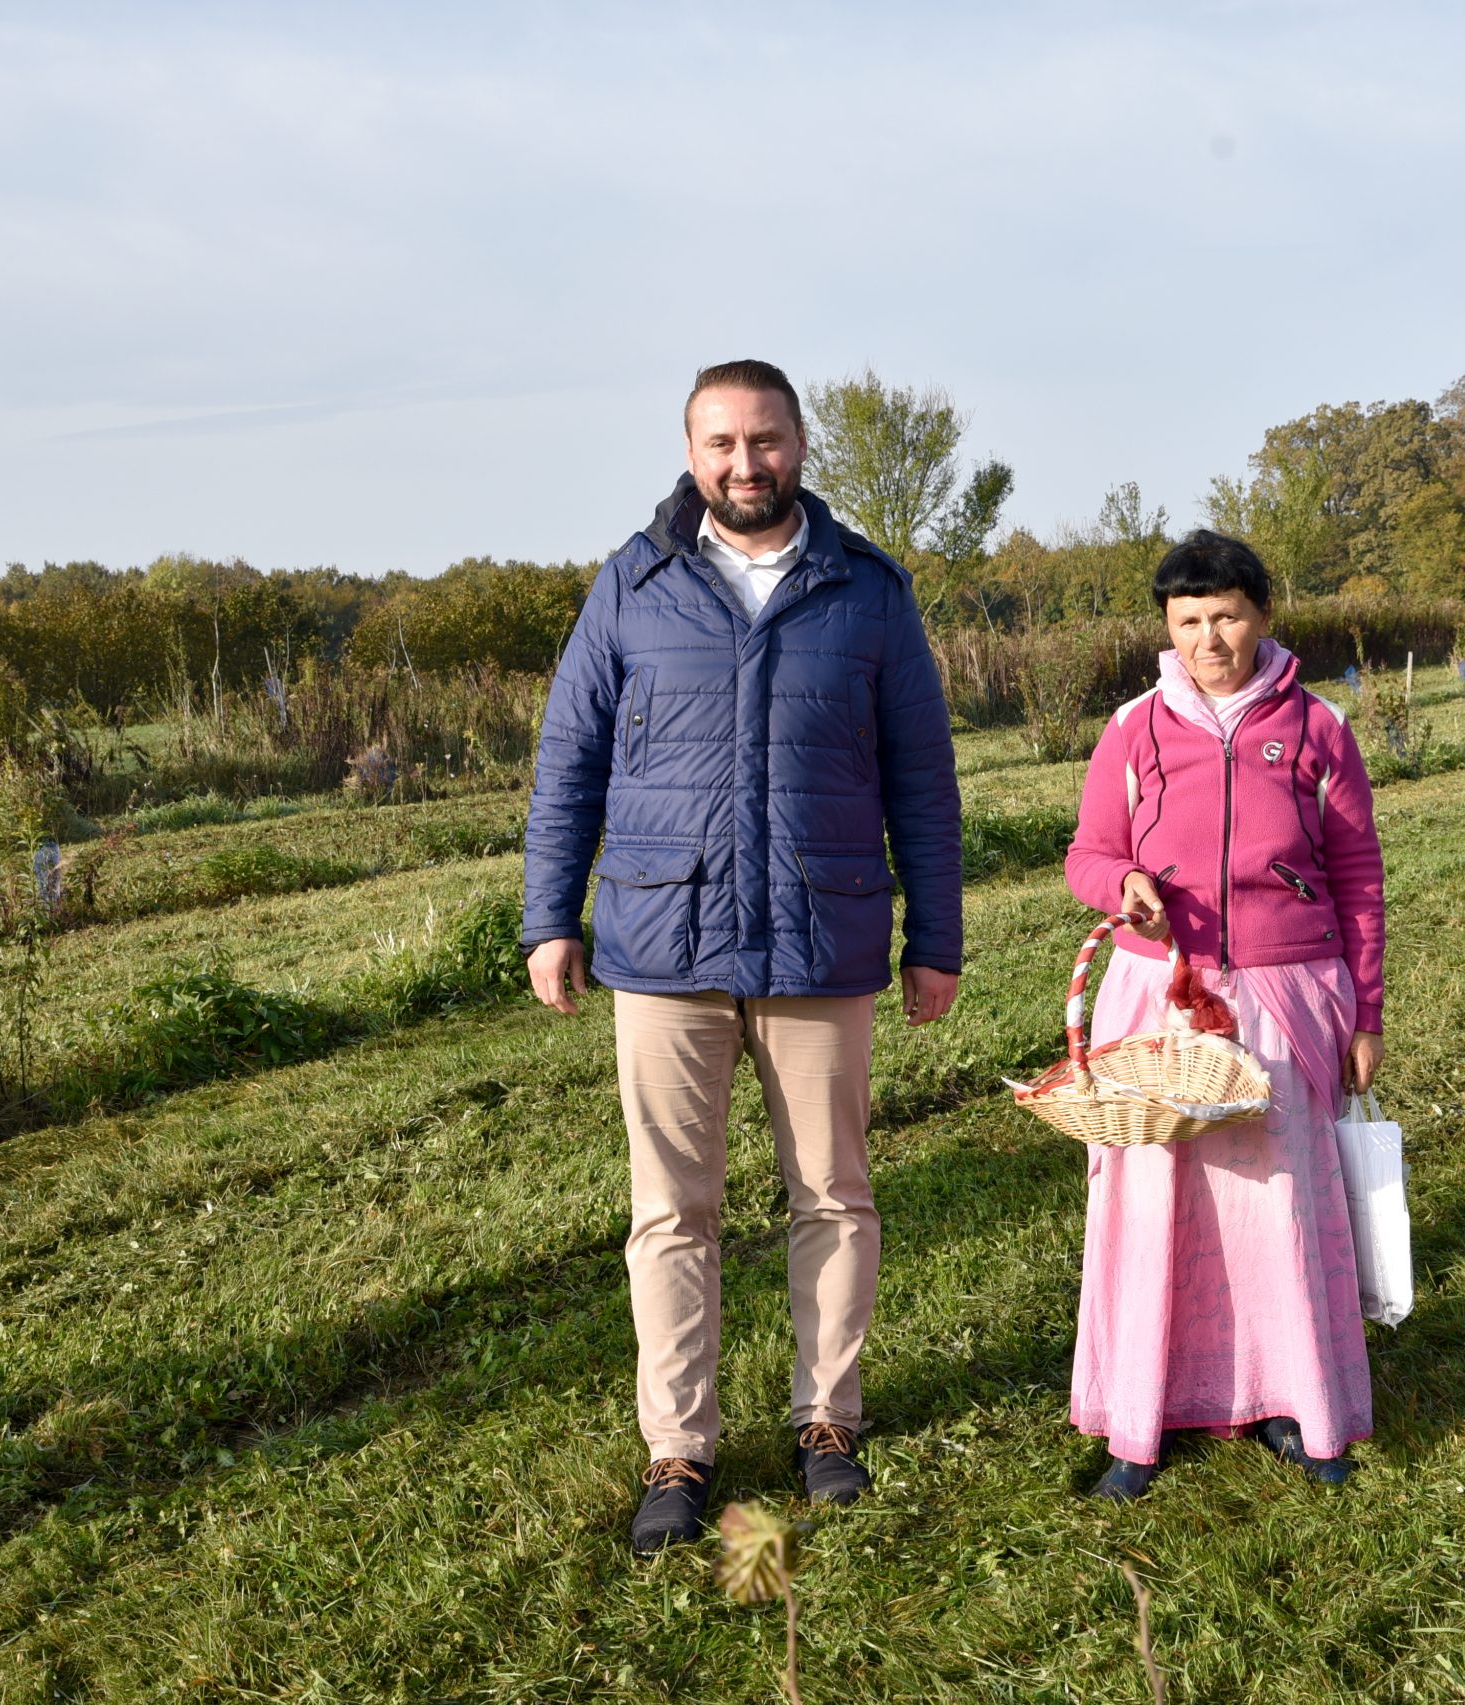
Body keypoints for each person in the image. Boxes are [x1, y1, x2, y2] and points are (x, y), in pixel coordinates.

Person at [522, 358, 964, 1555]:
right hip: (664, 941)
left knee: (833, 1193)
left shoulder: (869, 592)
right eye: (720, 444)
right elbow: (569, 760)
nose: (744, 464)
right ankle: (680, 1448)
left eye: (763, 440)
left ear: (800, 444)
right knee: (673, 1208)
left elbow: (922, 777)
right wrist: (548, 915)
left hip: (823, 935)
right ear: (690, 451)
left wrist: (938, 935)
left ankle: (829, 1422)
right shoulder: (633, 584)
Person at [1061, 528, 1386, 1499]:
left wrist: (1363, 1011)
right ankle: (1140, 1418)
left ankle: (1296, 1407)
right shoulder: (1134, 728)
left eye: (1227, 616)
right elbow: (1085, 854)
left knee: (1280, 1203)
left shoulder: (1318, 727)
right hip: (1160, 995)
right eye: (1189, 619)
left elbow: (1357, 873)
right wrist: (1119, 880)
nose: (1209, 637)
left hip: (1287, 990)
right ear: (1168, 626)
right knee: (1154, 1199)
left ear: (1263, 615)